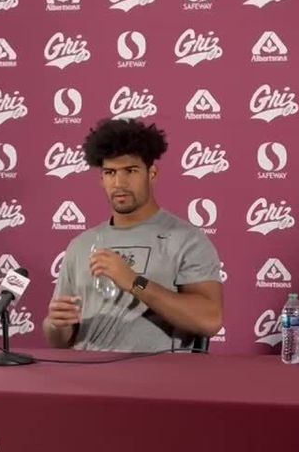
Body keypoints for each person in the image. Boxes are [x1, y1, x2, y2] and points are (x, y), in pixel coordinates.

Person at [42, 118, 223, 352]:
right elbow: (59, 340)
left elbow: (210, 320)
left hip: (155, 382)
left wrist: (134, 282)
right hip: (85, 378)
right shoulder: (81, 245)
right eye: (110, 172)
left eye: (130, 170)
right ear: (102, 179)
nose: (119, 183)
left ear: (152, 173)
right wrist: (56, 324)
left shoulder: (186, 239)